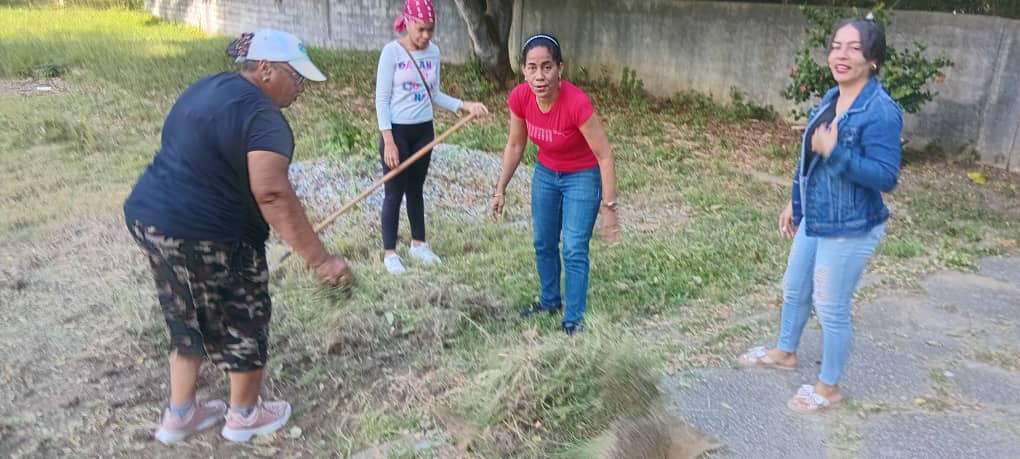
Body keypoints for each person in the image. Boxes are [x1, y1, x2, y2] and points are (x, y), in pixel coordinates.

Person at [124, 28, 352, 443]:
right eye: (295, 77)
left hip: (151, 218)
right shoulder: (265, 118)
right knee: (244, 312)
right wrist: (321, 261)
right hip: (208, 231)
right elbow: (272, 192)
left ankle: (181, 414)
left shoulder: (208, 87)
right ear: (265, 69)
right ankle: (244, 416)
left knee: (184, 309)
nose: (300, 88)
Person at [737, 17, 903, 413]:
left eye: (853, 47)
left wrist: (837, 153)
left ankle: (829, 387)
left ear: (873, 58)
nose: (841, 55)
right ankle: (785, 352)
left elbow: (886, 177)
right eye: (835, 46)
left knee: (830, 305)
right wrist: (795, 203)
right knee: (794, 287)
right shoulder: (832, 97)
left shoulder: (880, 110)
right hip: (816, 216)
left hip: (851, 226)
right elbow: (807, 159)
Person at [488, 33, 620, 335]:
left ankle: (573, 318)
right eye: (532, 68)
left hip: (582, 177)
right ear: (523, 70)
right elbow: (515, 145)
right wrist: (500, 189)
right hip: (546, 174)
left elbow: (605, 155)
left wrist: (609, 207)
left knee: (573, 247)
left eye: (547, 67)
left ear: (560, 68)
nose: (539, 76)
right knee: (543, 242)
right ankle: (549, 301)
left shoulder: (576, 103)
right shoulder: (520, 98)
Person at [375, 0, 489, 274]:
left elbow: (434, 93)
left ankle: (419, 245)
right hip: (398, 133)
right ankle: (390, 253)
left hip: (424, 131)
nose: (426, 36)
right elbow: (382, 98)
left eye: (431, 30)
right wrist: (388, 140)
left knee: (416, 190)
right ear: (408, 22)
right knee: (394, 193)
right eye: (421, 29)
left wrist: (464, 106)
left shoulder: (433, 53)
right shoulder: (391, 53)